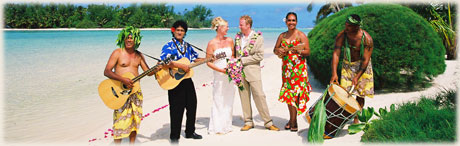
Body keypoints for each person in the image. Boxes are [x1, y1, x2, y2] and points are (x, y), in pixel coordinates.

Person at [103, 26, 154, 146]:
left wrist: (158, 67)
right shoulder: (117, 53)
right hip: (120, 92)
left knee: (135, 120)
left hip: (136, 92)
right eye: (127, 38)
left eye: (131, 38)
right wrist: (123, 79)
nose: (129, 40)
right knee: (119, 121)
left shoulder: (139, 55)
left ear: (136, 40)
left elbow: (148, 72)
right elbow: (107, 71)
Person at [160, 20, 204, 144]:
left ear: (185, 32)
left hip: (187, 79)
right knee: (176, 109)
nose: (180, 32)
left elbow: (195, 58)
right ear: (173, 31)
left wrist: (209, 59)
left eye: (182, 30)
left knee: (192, 105)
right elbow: (165, 60)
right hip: (173, 80)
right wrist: (181, 65)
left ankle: (190, 132)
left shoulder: (188, 46)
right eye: (178, 30)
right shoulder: (168, 45)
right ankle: (174, 136)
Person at [235, 15, 280, 131]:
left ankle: (268, 122)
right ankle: (248, 121)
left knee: (259, 96)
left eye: (241, 24)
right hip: (239, 72)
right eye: (239, 24)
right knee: (243, 96)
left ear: (248, 25)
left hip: (253, 72)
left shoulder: (258, 38)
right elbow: (235, 54)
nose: (239, 26)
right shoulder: (237, 37)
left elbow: (259, 56)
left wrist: (242, 60)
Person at [329, 14, 374, 123]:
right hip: (348, 65)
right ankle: (342, 115)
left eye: (349, 25)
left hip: (363, 67)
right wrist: (334, 73)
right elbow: (336, 54)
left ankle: (356, 118)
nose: (346, 27)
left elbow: (365, 61)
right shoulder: (342, 35)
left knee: (360, 93)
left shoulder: (367, 39)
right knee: (344, 92)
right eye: (346, 24)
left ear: (356, 26)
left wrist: (357, 77)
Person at [273, 12, 312, 132]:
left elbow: (308, 52)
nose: (291, 23)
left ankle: (294, 121)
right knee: (289, 95)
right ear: (286, 22)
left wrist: (298, 51)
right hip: (287, 70)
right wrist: (279, 51)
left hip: (299, 70)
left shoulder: (301, 35)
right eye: (289, 20)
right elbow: (275, 49)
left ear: (296, 22)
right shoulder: (282, 36)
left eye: (293, 20)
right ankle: (292, 120)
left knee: (296, 95)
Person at [206, 17, 236, 135]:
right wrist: (220, 70)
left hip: (230, 74)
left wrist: (233, 67)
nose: (228, 28)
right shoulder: (211, 43)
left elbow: (233, 56)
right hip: (219, 74)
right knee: (218, 98)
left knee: (229, 98)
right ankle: (217, 126)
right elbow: (208, 61)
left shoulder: (230, 40)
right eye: (226, 27)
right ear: (219, 28)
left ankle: (227, 125)